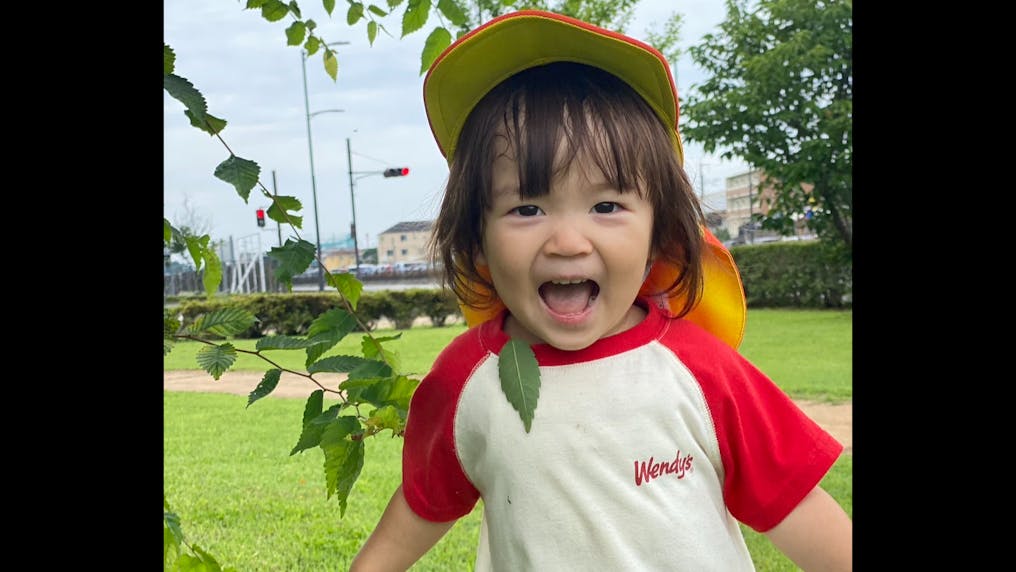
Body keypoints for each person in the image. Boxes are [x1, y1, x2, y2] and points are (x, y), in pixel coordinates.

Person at [351, 9, 851, 572]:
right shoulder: (467, 380)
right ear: (478, 238)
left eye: (607, 206)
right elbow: (424, 505)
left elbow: (796, 506)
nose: (567, 241)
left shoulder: (703, 373)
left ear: (658, 232)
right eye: (526, 208)